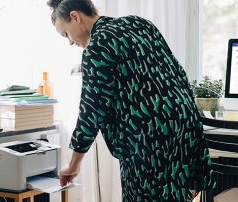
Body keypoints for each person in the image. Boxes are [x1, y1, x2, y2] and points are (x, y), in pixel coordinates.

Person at [47, 0, 214, 201]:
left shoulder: (98, 46)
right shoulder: (138, 23)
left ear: (75, 17)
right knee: (176, 195)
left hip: (150, 135)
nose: (70, 42)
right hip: (183, 122)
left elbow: (90, 112)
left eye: (66, 34)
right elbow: (176, 71)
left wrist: (74, 164)